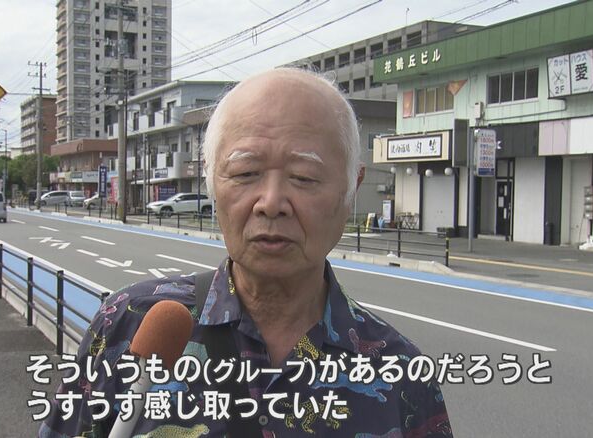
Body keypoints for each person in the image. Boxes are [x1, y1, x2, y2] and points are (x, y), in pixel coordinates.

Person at [40, 68, 452, 437]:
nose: (271, 202)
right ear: (210, 179)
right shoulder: (129, 324)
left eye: (304, 177)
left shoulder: (401, 373)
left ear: (351, 187)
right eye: (245, 173)